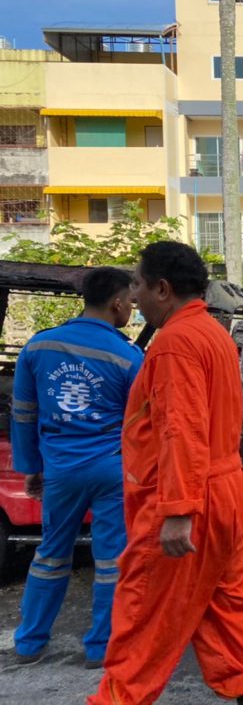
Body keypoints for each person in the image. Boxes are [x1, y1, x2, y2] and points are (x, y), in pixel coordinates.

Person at [88, 242, 243, 705]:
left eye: (137, 283)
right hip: (223, 493)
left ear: (163, 289)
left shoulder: (175, 343)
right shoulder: (211, 333)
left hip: (189, 502)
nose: (132, 296)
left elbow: (182, 430)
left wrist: (177, 511)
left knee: (141, 627)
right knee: (230, 617)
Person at [11, 268, 142, 668]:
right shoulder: (129, 356)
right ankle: (101, 648)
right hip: (111, 471)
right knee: (111, 561)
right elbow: (141, 424)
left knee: (50, 554)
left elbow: (23, 413)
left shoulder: (37, 346)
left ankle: (30, 643)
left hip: (60, 470)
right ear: (117, 303)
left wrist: (31, 467)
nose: (132, 312)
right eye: (131, 304)